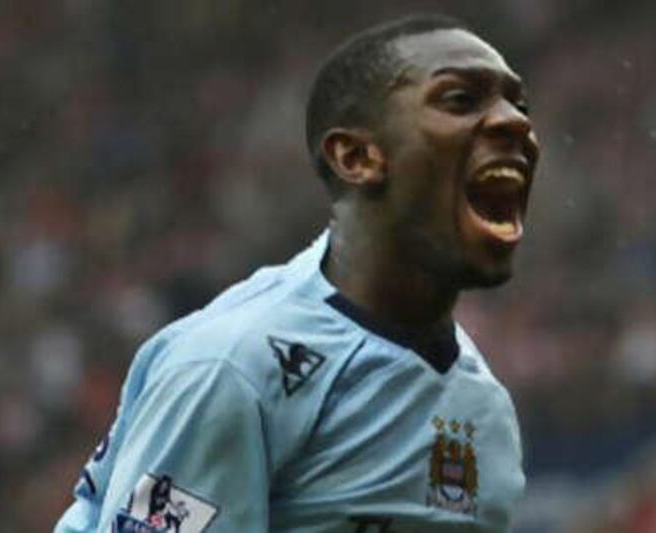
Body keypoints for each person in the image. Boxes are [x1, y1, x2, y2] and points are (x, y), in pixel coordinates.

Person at [56, 13, 539, 533]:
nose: (516, 122)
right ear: (355, 156)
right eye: (461, 100)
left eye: (520, 105)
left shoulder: (484, 406)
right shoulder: (233, 369)